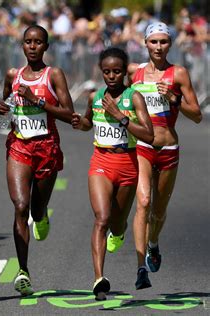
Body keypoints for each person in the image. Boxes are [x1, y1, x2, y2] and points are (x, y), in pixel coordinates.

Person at [0, 25, 74, 296]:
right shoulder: (13, 75)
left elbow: (69, 114)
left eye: (38, 42)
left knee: (37, 210)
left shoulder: (54, 75)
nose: (32, 46)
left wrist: (38, 102)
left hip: (47, 148)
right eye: (28, 42)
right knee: (20, 205)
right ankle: (23, 271)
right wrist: (3, 107)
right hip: (19, 145)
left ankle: (41, 218)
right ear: (22, 45)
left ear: (46, 47)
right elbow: (6, 103)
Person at [71, 47, 154, 301]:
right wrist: (80, 123)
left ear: (124, 72)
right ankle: (99, 279)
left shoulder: (134, 97)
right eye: (106, 71)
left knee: (117, 223)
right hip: (101, 162)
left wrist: (121, 117)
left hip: (128, 165)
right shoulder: (95, 97)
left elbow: (149, 136)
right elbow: (88, 123)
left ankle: (118, 233)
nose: (111, 76)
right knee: (102, 218)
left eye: (116, 71)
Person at [128, 22, 202, 290]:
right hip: (143, 147)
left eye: (163, 42)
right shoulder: (133, 73)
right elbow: (124, 102)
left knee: (158, 212)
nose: (158, 47)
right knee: (144, 201)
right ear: (145, 44)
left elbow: (197, 115)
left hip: (169, 148)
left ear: (169, 44)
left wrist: (174, 99)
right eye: (153, 42)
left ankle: (153, 243)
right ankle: (140, 268)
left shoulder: (178, 73)